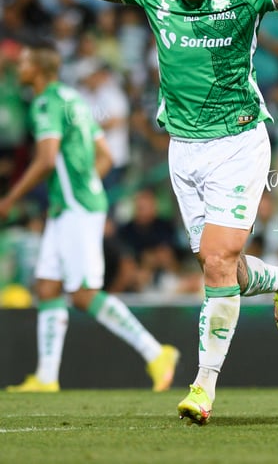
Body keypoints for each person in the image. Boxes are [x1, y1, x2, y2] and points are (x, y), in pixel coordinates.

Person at [66, 0, 278, 424]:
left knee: (215, 260)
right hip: (182, 148)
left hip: (238, 141)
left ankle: (202, 387)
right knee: (221, 267)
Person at [0, 42, 179, 393]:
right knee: (48, 286)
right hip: (69, 205)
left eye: (23, 62)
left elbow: (47, 160)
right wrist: (86, 186)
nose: (18, 67)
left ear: (38, 68)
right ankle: (47, 377)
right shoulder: (75, 101)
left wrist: (10, 197)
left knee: (83, 294)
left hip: (75, 208)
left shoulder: (45, 104)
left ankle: (156, 352)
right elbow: (106, 156)